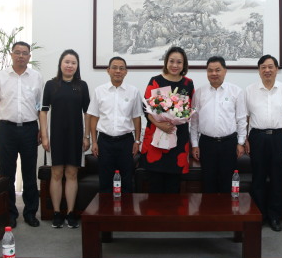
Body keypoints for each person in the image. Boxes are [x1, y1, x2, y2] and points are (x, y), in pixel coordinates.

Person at [0, 41, 43, 228]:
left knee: (29, 173)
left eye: (24, 53)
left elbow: (40, 106)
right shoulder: (1, 77)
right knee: (7, 174)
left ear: (29, 56)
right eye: (17, 52)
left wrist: (41, 130)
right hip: (7, 129)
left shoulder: (36, 77)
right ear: (11, 54)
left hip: (29, 129)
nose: (21, 56)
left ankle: (30, 213)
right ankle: (10, 213)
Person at [244, 54, 282, 232]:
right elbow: (245, 117)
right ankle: (259, 215)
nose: (267, 70)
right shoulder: (249, 91)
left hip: (279, 137)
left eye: (270, 67)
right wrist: (245, 139)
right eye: (263, 67)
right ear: (259, 70)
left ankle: (275, 216)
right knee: (258, 178)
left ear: (276, 69)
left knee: (277, 179)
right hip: (257, 137)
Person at [39, 49, 90, 228]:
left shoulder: (82, 85)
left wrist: (86, 136)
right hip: (56, 136)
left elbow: (88, 113)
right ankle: (56, 212)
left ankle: (70, 213)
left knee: (72, 173)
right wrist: (44, 136)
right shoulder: (51, 85)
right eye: (67, 62)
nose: (70, 65)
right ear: (60, 64)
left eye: (73, 63)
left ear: (77, 66)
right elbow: (43, 111)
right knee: (56, 173)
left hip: (76, 136)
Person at [141, 46, 195, 193]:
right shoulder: (156, 81)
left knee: (174, 187)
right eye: (171, 61)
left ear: (184, 64)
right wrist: (159, 124)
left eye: (179, 62)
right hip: (156, 140)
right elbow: (146, 108)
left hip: (178, 140)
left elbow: (189, 109)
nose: (175, 65)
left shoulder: (188, 83)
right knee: (155, 187)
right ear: (166, 62)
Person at [190, 56, 247, 193]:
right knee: (208, 182)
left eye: (217, 70)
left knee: (227, 182)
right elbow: (194, 121)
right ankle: (209, 207)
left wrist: (241, 142)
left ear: (225, 71)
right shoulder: (199, 93)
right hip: (206, 144)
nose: (214, 73)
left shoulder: (236, 91)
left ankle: (227, 207)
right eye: (210, 70)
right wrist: (195, 144)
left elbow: (241, 119)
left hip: (229, 144)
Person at [87, 57, 142, 195]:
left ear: (126, 72)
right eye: (115, 67)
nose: (118, 71)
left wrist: (137, 140)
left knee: (127, 180)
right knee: (105, 180)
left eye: (121, 68)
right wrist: (94, 141)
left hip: (126, 141)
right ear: (108, 70)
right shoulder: (99, 91)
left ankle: (126, 208)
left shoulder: (133, 91)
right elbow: (94, 117)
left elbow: (136, 117)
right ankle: (105, 208)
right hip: (104, 141)